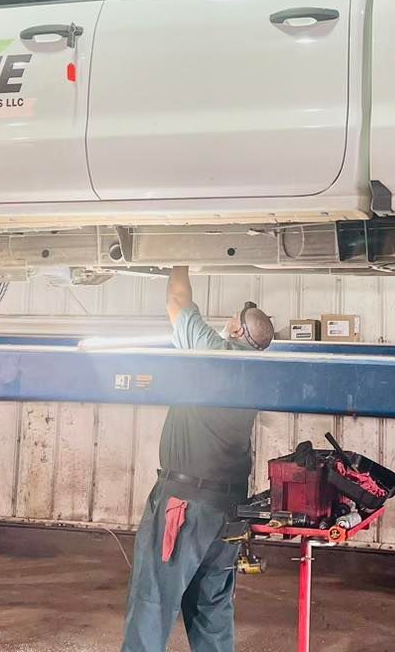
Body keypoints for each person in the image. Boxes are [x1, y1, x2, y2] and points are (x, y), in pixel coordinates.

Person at [121, 265, 275, 652]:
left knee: (153, 602)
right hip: (229, 512)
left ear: (236, 331)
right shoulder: (258, 375)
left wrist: (179, 259)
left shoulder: (212, 352)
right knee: (213, 609)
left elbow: (177, 300)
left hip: (184, 505)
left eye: (233, 318)